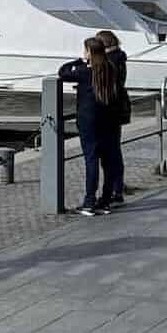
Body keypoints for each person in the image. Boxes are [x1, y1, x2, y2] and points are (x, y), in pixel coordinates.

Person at [58, 37, 125, 216]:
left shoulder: (84, 72)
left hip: (89, 121)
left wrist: (77, 61)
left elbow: (62, 72)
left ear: (90, 53)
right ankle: (105, 201)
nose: (83, 53)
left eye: (85, 50)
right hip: (109, 120)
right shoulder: (110, 69)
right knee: (108, 161)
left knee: (91, 159)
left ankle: (89, 202)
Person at [93, 29, 129, 207]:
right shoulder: (120, 58)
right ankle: (118, 188)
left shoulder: (109, 62)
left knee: (108, 153)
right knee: (115, 150)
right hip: (119, 109)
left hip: (109, 111)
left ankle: (112, 191)